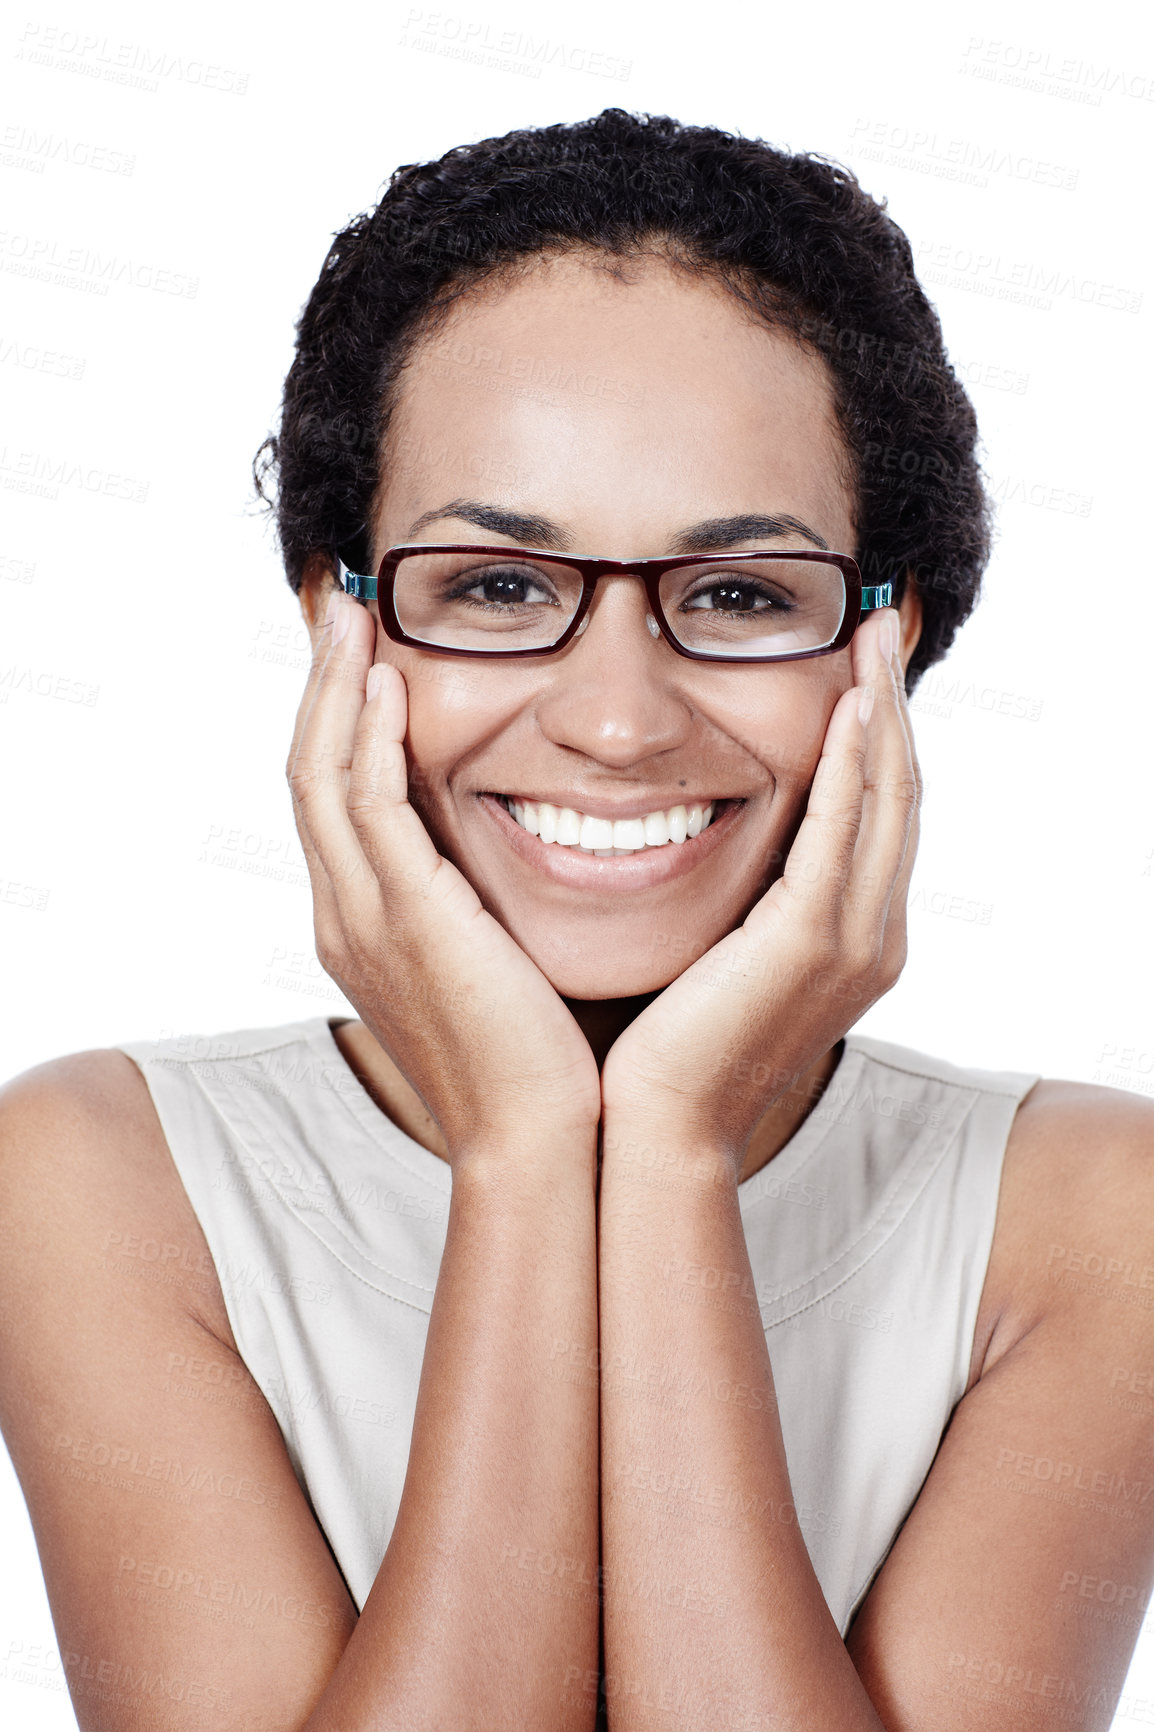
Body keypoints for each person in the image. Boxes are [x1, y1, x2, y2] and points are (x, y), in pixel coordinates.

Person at [1, 107, 1152, 1732]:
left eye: (742, 596)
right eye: (494, 586)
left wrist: (669, 1153)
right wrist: (528, 1150)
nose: (616, 722)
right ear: (341, 619)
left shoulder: (1095, 1219)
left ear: (888, 641)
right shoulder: (101, 1175)